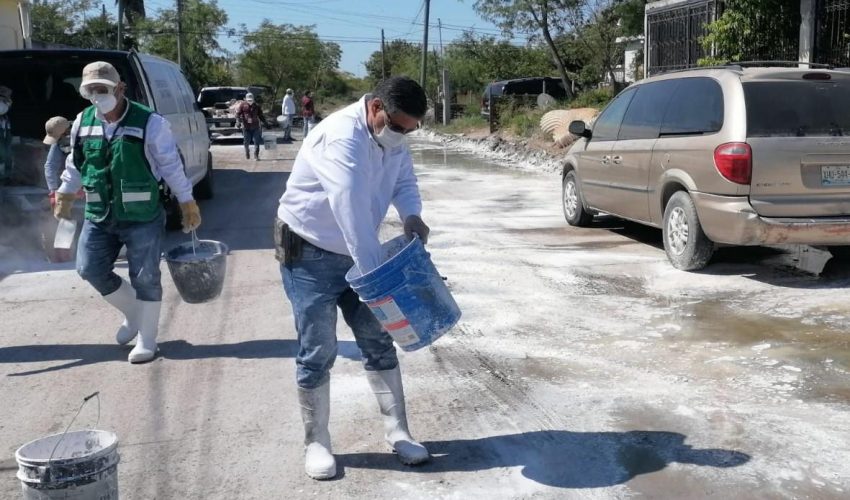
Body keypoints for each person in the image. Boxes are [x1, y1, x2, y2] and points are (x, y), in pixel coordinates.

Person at [276, 76, 430, 480]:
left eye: (410, 130)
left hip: (360, 250)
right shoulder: (340, 138)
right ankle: (316, 441)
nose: (402, 136)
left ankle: (398, 431)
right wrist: (378, 279)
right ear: (376, 108)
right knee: (317, 349)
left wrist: (412, 214)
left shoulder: (392, 135)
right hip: (310, 253)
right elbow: (352, 212)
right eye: (398, 127)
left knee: (380, 340)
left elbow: (403, 181)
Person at [53, 61, 202, 364]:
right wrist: (65, 195)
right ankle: (135, 313)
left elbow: (170, 166)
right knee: (88, 268)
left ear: (119, 88)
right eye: (91, 90)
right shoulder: (83, 121)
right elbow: (76, 164)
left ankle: (147, 339)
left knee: (145, 276)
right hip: (100, 212)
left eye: (103, 89)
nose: (97, 95)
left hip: (142, 214)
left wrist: (187, 202)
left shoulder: (150, 122)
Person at [237, 92, 267, 160]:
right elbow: (238, 114)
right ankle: (247, 151)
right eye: (249, 100)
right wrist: (238, 122)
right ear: (246, 100)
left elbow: (261, 116)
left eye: (251, 100)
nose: (250, 101)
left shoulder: (257, 106)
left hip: (255, 127)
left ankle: (256, 155)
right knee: (246, 142)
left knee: (257, 141)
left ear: (253, 99)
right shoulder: (242, 105)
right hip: (246, 127)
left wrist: (266, 123)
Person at [0, 86, 12, 181]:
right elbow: (2, 109)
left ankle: (7, 176)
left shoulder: (5, 101)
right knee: (3, 152)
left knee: (7, 152)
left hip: (5, 128)